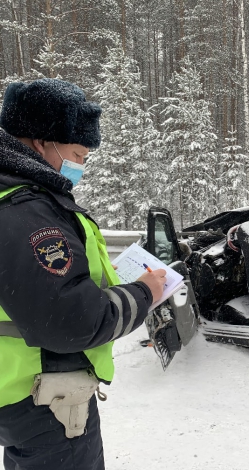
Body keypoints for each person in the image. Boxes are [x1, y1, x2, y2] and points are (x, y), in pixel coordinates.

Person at [0, 78, 167, 470]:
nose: (81, 166)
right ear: (42, 143)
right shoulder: (28, 212)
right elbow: (70, 319)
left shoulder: (18, 196)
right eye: (78, 153)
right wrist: (144, 293)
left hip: (22, 388)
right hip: (46, 398)